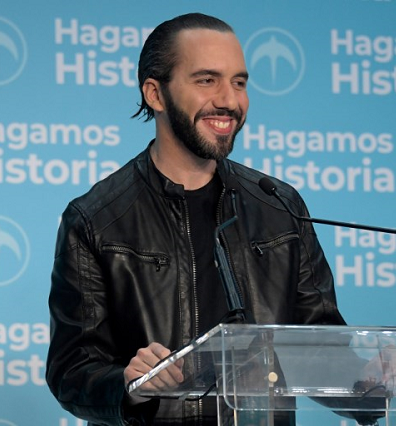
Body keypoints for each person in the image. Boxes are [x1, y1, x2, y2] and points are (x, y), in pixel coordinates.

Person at [46, 12, 348, 426]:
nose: (229, 99)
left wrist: (372, 378)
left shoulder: (279, 206)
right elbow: (71, 371)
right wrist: (130, 384)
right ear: (155, 93)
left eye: (239, 82)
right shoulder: (96, 219)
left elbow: (320, 347)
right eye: (207, 80)